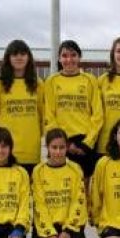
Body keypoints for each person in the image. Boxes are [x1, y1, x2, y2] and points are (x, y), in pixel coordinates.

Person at [44, 40, 103, 182]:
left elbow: (98, 115)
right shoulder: (52, 81)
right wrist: (64, 144)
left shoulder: (90, 80)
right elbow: (48, 115)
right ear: (59, 59)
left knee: (85, 187)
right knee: (62, 185)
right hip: (62, 143)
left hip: (84, 143)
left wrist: (87, 143)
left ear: (79, 57)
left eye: (73, 55)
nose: (69, 59)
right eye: (64, 56)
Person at [31, 128, 88, 238]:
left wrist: (68, 231)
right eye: (54, 147)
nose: (58, 152)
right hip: (46, 228)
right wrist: (50, 233)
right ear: (47, 148)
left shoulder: (75, 169)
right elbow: (39, 205)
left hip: (70, 227)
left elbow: (79, 202)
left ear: (67, 147)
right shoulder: (38, 171)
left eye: (61, 147)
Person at [0, 39, 44, 176]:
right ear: (8, 58)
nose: (19, 57)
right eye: (14, 54)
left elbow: (43, 116)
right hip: (6, 149)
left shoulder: (38, 84)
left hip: (31, 149)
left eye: (23, 54)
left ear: (28, 57)